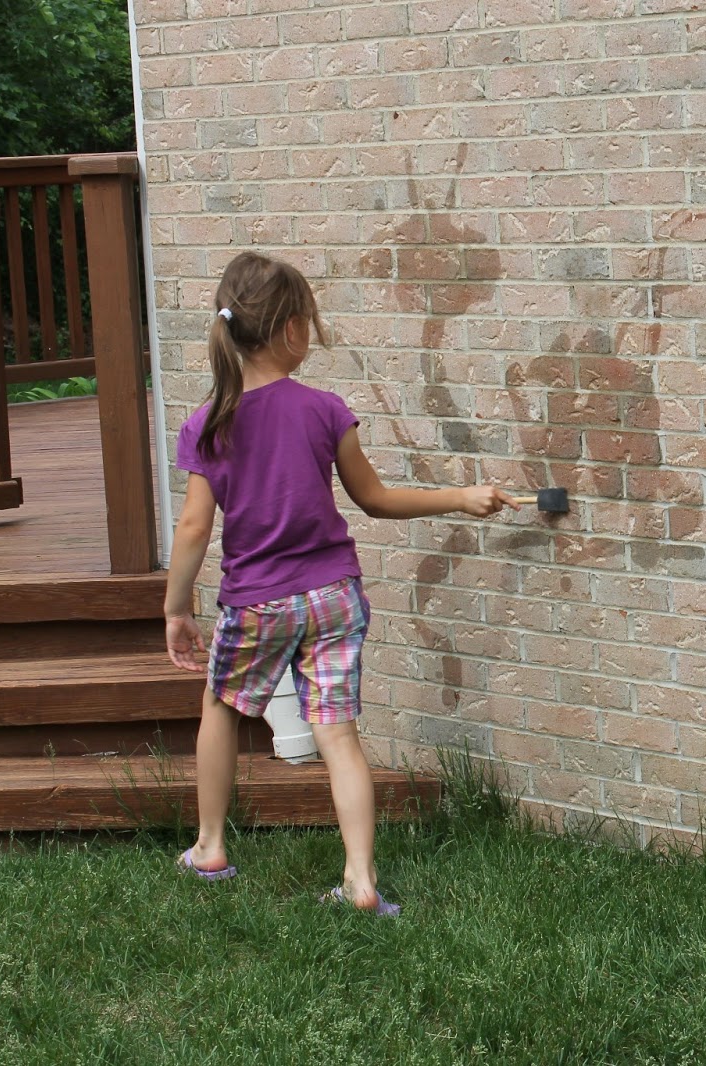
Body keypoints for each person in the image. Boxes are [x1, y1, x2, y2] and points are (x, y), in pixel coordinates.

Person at [165, 250, 516, 914]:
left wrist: (175, 606)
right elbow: (376, 499)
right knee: (338, 733)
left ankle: (210, 846)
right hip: (333, 597)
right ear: (292, 328)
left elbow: (191, 528)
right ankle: (360, 880)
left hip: (257, 600)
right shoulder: (325, 410)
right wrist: (460, 497)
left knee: (221, 710)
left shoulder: (207, 424)